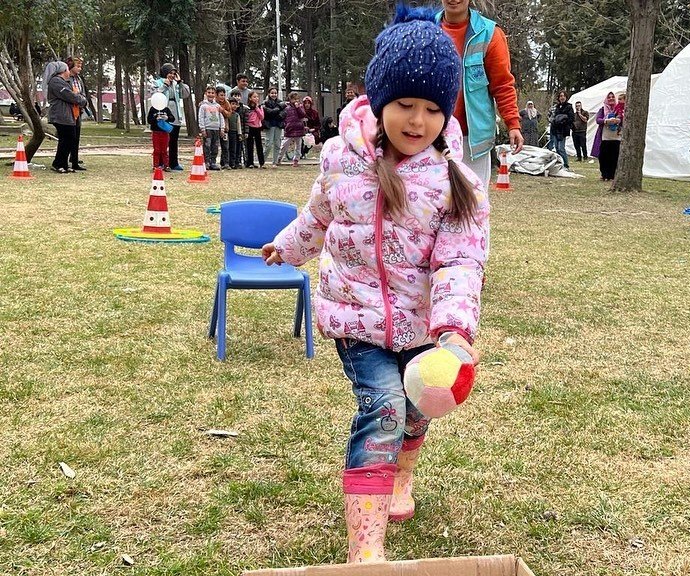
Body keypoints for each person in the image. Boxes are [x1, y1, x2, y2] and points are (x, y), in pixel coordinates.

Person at [261, 6, 488, 563]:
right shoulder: (341, 159)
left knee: (416, 409)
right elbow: (317, 216)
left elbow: (460, 260)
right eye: (405, 104)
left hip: (423, 326)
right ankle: (367, 551)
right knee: (383, 407)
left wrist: (455, 331)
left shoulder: (454, 179)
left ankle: (403, 478)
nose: (418, 120)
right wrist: (287, 247)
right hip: (355, 319)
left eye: (433, 107)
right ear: (379, 99)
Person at [437, 0, 523, 188]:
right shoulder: (426, 29)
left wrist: (513, 123)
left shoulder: (490, 33)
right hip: (433, 136)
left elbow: (503, 85)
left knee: (473, 204)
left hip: (473, 141)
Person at [45, 61, 88, 174]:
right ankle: (57, 164)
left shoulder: (63, 82)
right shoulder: (56, 82)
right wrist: (82, 100)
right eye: (68, 70)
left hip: (68, 116)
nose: (69, 72)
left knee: (70, 139)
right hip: (60, 115)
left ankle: (63, 164)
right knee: (66, 140)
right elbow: (70, 95)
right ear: (63, 71)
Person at [155, 63, 191, 171]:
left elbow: (185, 94)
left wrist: (180, 83)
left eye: (174, 73)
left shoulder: (176, 84)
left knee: (173, 140)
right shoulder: (158, 82)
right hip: (163, 113)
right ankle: (161, 163)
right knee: (163, 140)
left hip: (175, 113)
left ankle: (173, 162)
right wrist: (165, 85)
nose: (172, 75)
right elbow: (156, 95)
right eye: (170, 73)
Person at [591, 91, 622, 181]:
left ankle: (612, 175)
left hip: (616, 136)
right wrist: (606, 121)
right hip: (605, 137)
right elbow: (598, 120)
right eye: (609, 97)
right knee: (604, 156)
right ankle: (604, 174)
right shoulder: (602, 109)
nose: (611, 98)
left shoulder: (619, 109)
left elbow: (624, 119)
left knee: (614, 156)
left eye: (612, 97)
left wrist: (618, 121)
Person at [65, 56, 88, 171]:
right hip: (69, 111)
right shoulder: (66, 78)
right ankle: (64, 160)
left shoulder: (79, 79)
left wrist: (82, 101)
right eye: (78, 66)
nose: (80, 69)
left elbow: (82, 93)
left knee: (76, 137)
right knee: (69, 136)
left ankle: (74, 161)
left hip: (78, 110)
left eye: (80, 66)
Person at [198, 85, 225, 171]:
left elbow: (221, 117)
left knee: (215, 146)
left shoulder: (217, 106)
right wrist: (202, 128)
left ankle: (213, 162)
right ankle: (206, 162)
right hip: (207, 129)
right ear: (206, 93)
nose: (210, 94)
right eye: (209, 92)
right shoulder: (203, 106)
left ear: (215, 94)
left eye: (213, 93)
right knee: (207, 146)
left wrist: (222, 128)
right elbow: (201, 117)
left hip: (216, 129)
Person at [276, 92, 306, 167]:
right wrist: (285, 125)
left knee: (298, 146)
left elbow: (303, 115)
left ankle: (296, 160)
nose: (296, 101)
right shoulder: (286, 108)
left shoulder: (300, 107)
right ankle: (279, 158)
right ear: (290, 99)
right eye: (294, 99)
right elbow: (283, 116)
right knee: (284, 145)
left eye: (297, 99)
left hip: (299, 128)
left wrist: (298, 108)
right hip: (289, 128)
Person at [147, 100, 175, 171]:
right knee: (157, 150)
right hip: (156, 132)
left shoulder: (166, 109)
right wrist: (155, 119)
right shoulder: (152, 109)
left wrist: (167, 118)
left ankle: (166, 166)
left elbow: (172, 119)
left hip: (165, 132)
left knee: (164, 150)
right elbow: (149, 120)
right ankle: (156, 166)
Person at [550, 90, 574, 170]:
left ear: (566, 97)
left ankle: (566, 165)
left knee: (561, 148)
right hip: (555, 129)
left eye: (563, 96)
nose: (562, 97)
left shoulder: (569, 107)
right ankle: (560, 164)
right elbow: (553, 117)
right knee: (556, 148)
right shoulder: (557, 107)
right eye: (560, 96)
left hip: (563, 130)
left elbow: (571, 119)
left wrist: (563, 121)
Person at [263, 87, 286, 167]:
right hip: (269, 126)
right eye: (272, 93)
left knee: (277, 144)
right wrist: (277, 110)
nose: (274, 95)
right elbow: (268, 112)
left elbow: (284, 113)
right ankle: (262, 161)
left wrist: (278, 115)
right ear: (269, 94)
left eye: (275, 93)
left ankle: (275, 162)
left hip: (278, 125)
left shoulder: (281, 102)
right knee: (268, 144)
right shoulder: (265, 103)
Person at [244, 91, 265, 168]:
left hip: (257, 127)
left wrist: (257, 108)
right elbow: (247, 118)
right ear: (250, 98)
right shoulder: (247, 107)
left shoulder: (260, 107)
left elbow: (262, 117)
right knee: (250, 145)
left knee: (259, 145)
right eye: (254, 97)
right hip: (249, 127)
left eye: (257, 97)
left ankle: (261, 162)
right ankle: (250, 162)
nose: (256, 98)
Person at [215, 86, 233, 169]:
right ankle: (212, 162)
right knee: (214, 146)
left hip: (224, 128)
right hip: (214, 127)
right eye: (221, 95)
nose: (222, 97)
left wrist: (222, 110)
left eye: (224, 95)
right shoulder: (212, 103)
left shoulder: (226, 103)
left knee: (225, 146)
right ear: (216, 95)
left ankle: (226, 163)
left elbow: (229, 114)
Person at [226, 95, 243, 169]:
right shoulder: (227, 113)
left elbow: (238, 125)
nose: (234, 106)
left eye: (236, 104)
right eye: (233, 104)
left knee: (235, 148)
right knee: (228, 148)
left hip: (235, 133)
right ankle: (227, 162)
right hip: (228, 132)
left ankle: (234, 162)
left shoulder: (237, 115)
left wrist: (239, 134)